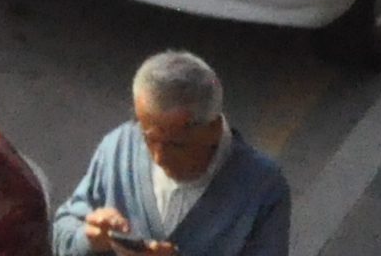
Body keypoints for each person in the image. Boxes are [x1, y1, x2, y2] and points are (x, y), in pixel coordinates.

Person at [51, 50, 294, 256]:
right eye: (148, 137)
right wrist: (89, 240)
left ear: (213, 129)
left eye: (176, 144)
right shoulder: (119, 147)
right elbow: (63, 229)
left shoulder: (262, 189)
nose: (158, 157)